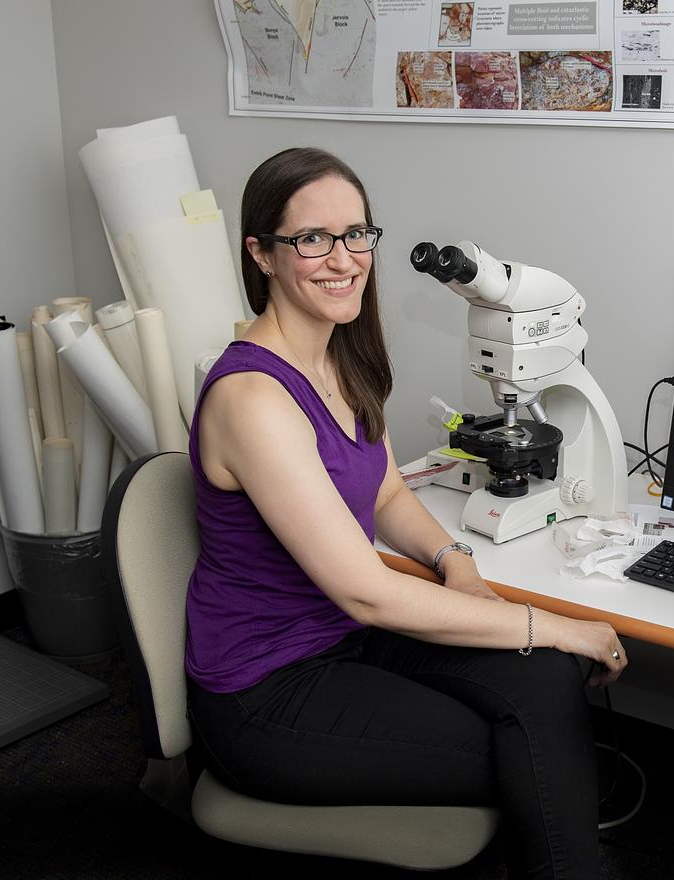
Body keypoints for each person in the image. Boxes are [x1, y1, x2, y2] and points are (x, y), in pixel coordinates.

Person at [184, 147, 627, 879]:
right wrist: (556, 623)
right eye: (312, 239)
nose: (343, 259)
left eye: (356, 234)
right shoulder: (253, 398)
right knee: (530, 748)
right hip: (268, 689)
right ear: (261, 254)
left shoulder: (339, 358)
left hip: (347, 638)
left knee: (546, 682)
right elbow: (366, 590)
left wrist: (457, 563)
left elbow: (387, 493)